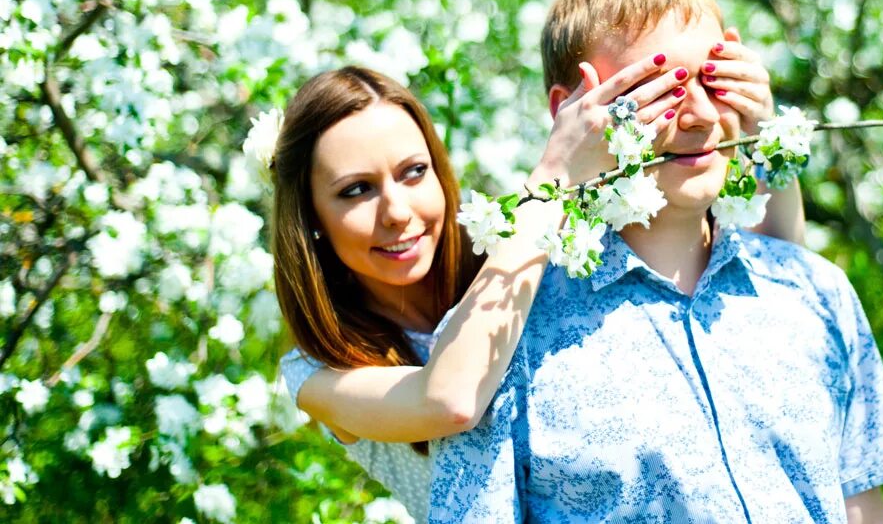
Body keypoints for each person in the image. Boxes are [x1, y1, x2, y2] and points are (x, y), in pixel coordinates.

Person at [429, 0, 883, 524]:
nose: (703, 117)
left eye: (714, 83)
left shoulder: (812, 290)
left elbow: (862, 507)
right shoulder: (503, 339)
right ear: (570, 110)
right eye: (659, 90)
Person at [271, 53, 806, 520]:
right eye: (356, 191)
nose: (396, 212)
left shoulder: (511, 254)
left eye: (414, 173)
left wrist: (761, 133)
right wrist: (554, 171)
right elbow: (450, 400)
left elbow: (772, 288)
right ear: (311, 215)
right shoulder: (318, 372)